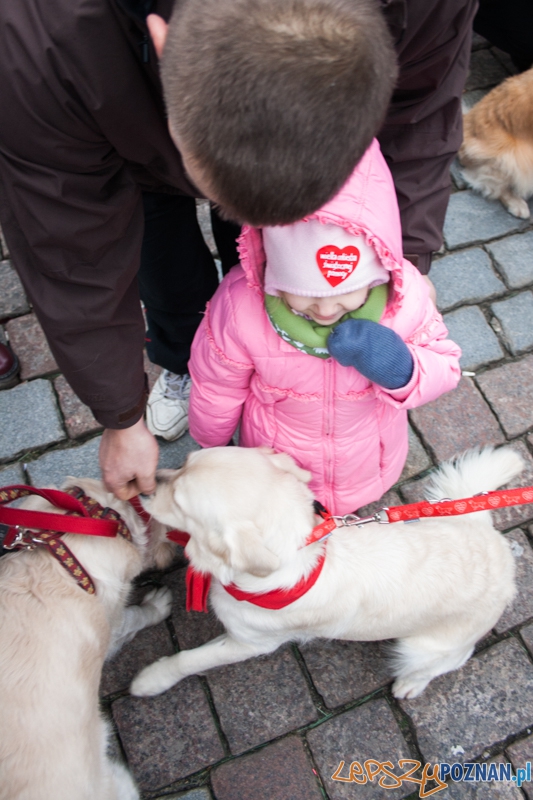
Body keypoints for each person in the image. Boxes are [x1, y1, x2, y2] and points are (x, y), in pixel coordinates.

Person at [0, 0, 476, 500]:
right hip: (135, 139)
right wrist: (121, 415)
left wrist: (410, 258)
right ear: (164, 47)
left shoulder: (425, 7)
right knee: (168, 253)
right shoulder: (40, 46)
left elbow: (421, 109)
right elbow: (70, 247)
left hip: (360, 457)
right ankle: (181, 355)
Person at [187, 139, 461, 514]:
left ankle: (349, 511)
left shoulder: (403, 298)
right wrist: (213, 450)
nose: (327, 311)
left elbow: (445, 367)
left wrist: (402, 367)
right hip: (278, 470)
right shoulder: (239, 308)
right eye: (306, 298)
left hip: (366, 461)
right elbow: (216, 386)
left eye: (348, 295)